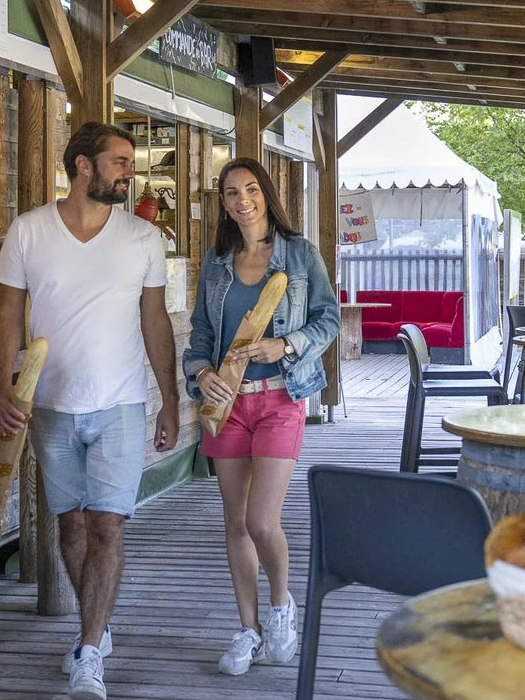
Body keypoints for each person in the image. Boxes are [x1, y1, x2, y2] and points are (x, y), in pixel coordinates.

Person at [0, 122, 180, 700]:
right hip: (50, 405)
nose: (129, 172)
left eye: (129, 162)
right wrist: (4, 388)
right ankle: (93, 626)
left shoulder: (144, 239)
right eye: (119, 161)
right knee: (69, 523)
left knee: (108, 523)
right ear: (82, 167)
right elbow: (7, 315)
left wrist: (168, 398)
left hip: (120, 403)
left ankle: (89, 650)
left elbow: (156, 321)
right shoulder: (27, 232)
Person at [183, 158, 341, 676]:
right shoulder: (217, 260)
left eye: (251, 189)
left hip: (280, 398)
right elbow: (202, 331)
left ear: (267, 195)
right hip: (226, 403)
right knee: (234, 523)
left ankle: (280, 608)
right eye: (231, 192)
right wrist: (200, 371)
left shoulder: (299, 255)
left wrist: (288, 344)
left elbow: (329, 319)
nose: (242, 199)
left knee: (260, 519)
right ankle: (247, 628)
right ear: (223, 202)